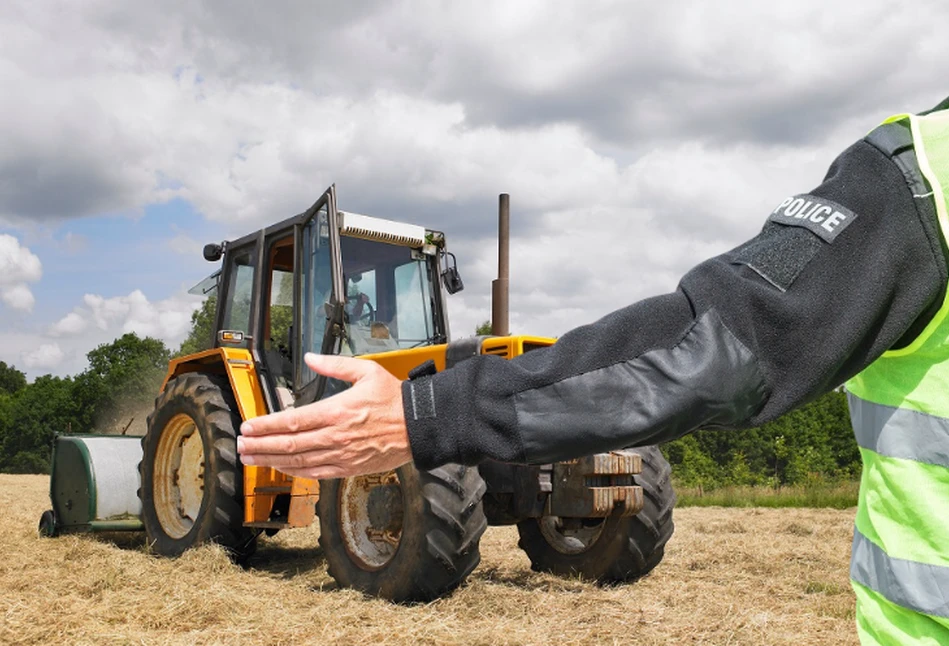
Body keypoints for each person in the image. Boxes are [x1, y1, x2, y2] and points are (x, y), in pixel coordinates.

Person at [238, 99, 949, 644]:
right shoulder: (923, 177)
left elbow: (710, 347)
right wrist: (433, 412)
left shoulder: (921, 171)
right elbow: (719, 342)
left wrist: (429, 410)